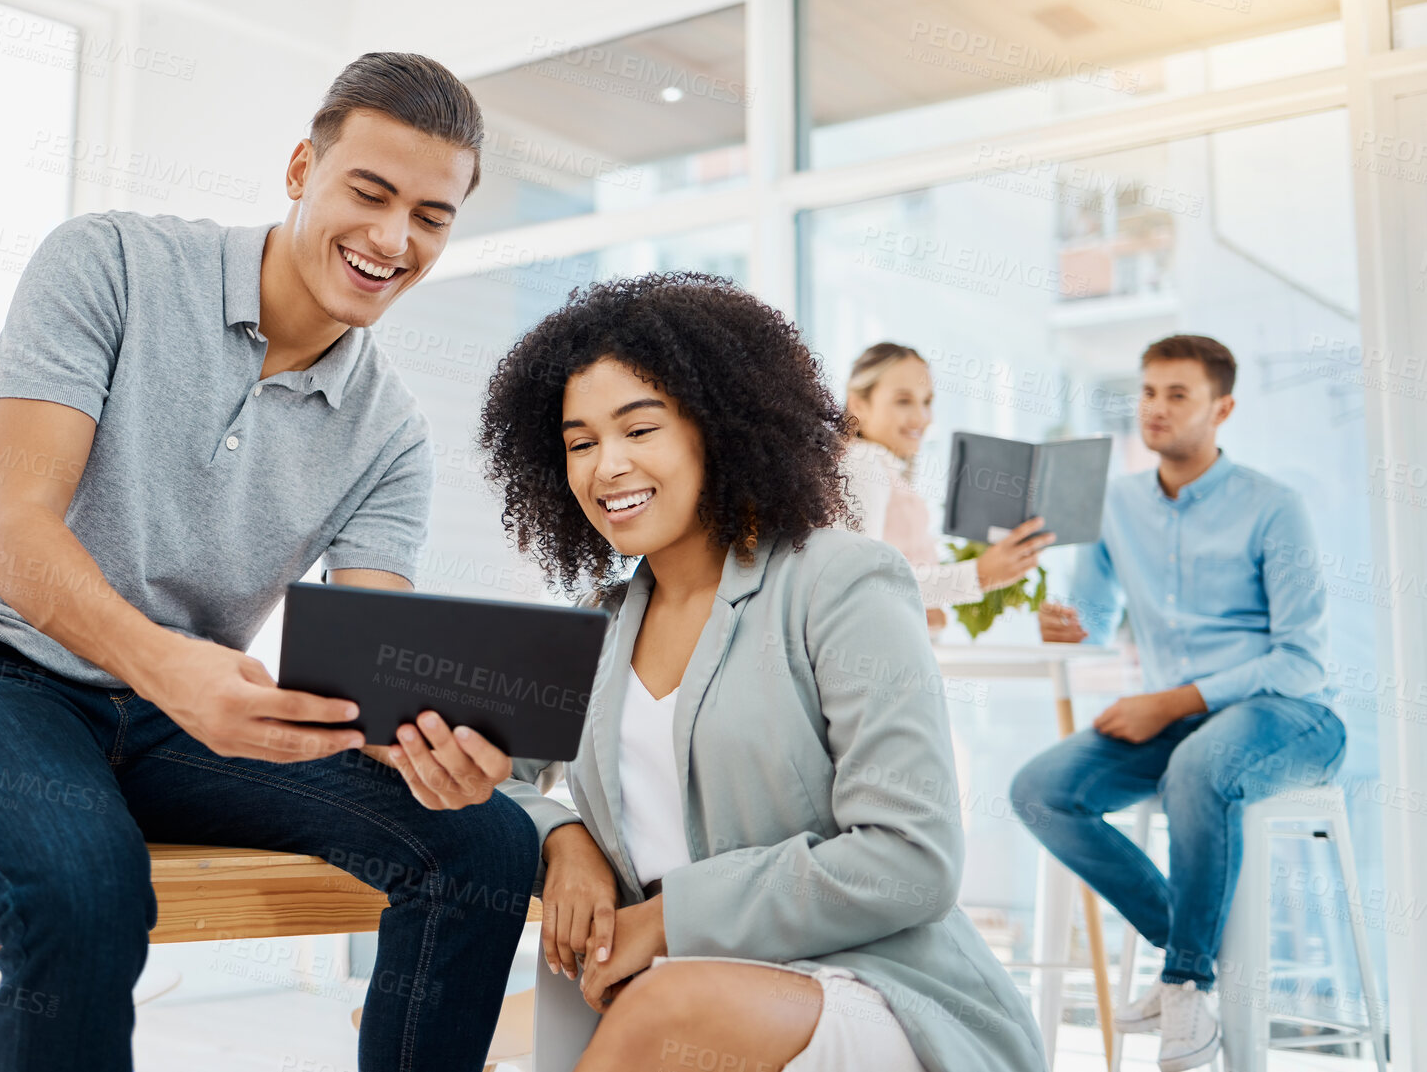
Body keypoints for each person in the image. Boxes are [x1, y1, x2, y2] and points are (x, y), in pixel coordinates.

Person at [0, 54, 539, 1072]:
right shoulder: (109, 263)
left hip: (171, 723)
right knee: (87, 881)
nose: (395, 240)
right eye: (371, 191)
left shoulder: (389, 428)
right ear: (303, 167)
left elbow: (373, 669)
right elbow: (11, 534)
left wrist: (425, 742)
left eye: (432, 217)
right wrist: (168, 665)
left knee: (487, 840)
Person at [481, 274, 1046, 1072]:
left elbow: (912, 857)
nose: (607, 466)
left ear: (717, 427)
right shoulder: (599, 626)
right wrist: (563, 836)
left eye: (639, 429)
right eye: (579, 443)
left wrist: (668, 919)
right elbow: (485, 773)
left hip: (876, 987)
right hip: (675, 991)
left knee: (658, 1010)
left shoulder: (840, 581)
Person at [1009, 335, 1345, 1072]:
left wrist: (1169, 701)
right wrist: (1066, 624)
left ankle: (1186, 982)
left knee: (1197, 766)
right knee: (1039, 790)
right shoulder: (1116, 503)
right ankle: (1189, 951)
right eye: (1147, 392)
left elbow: (1300, 658)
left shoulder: (1273, 506)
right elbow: (1093, 617)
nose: (1155, 409)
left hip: (1287, 714)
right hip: (1179, 722)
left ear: (1221, 408)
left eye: (1177, 395)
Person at [838, 342, 1049, 631]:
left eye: (927, 402)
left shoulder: (882, 465)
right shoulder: (863, 460)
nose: (922, 418)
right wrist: (978, 575)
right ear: (858, 404)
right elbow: (862, 579)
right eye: (903, 400)